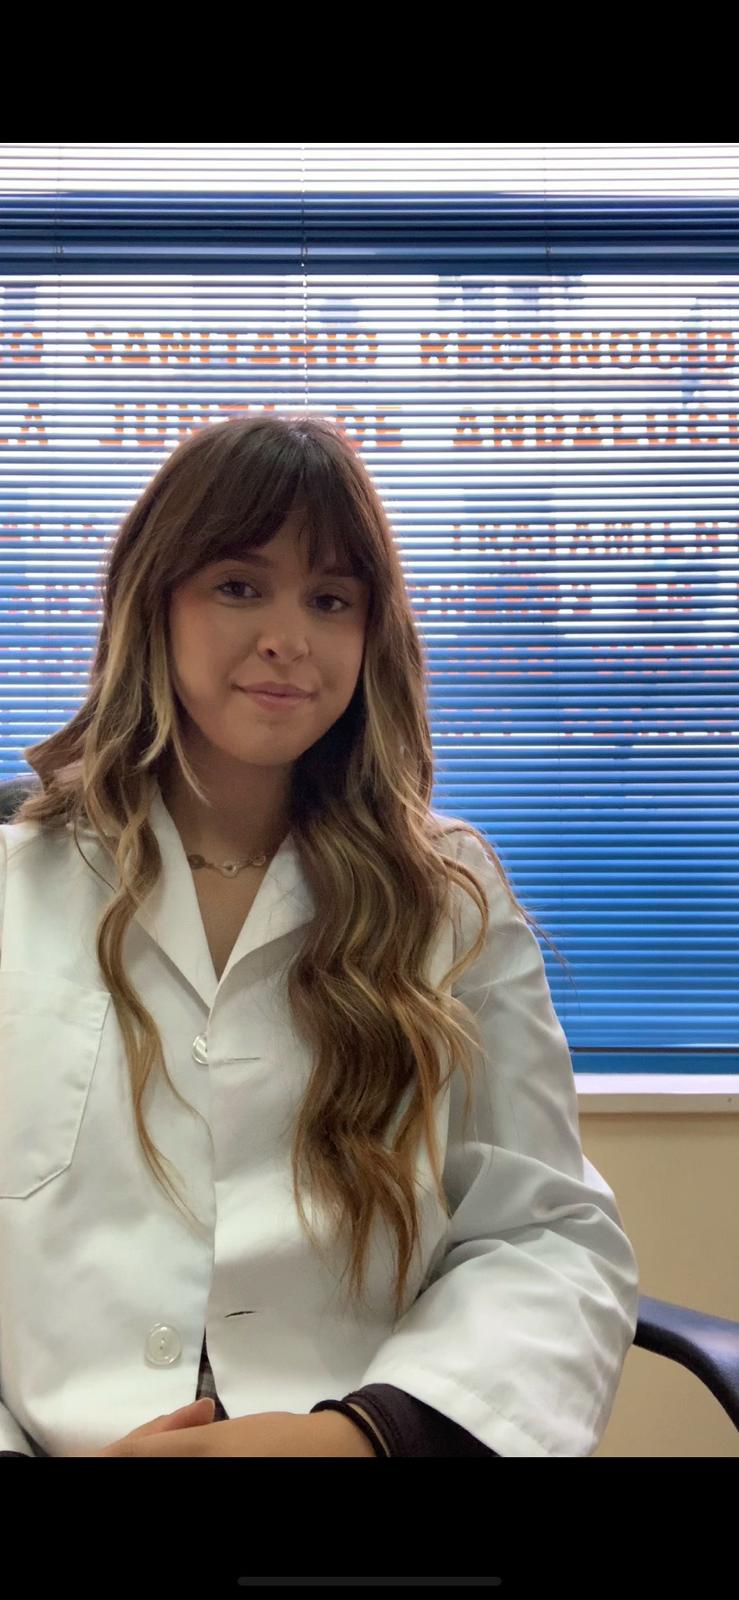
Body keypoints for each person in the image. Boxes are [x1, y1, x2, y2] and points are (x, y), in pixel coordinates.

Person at [0, 412, 639, 1458]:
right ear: (151, 603)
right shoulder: (14, 892)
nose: (289, 638)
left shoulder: (447, 900)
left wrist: (365, 1436)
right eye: (239, 585)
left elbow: (546, 1233)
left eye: (331, 599)